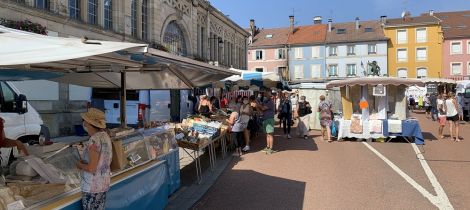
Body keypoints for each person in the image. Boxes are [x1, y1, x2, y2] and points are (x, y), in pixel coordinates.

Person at [76, 108, 112, 210]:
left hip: (92, 187)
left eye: (85, 121)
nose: (84, 123)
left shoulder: (94, 140)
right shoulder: (106, 136)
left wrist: (80, 165)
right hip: (103, 184)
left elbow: (92, 168)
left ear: (88, 123)